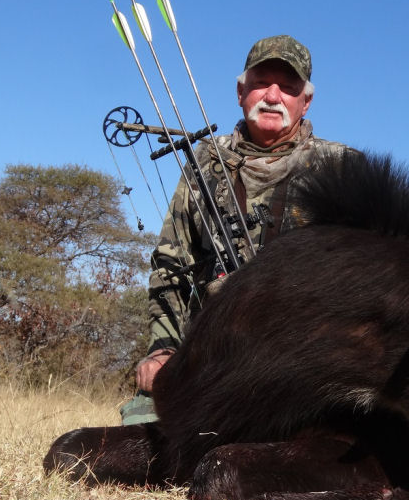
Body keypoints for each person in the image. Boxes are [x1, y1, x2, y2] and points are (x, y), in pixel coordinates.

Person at [121, 35, 349, 425]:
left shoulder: (343, 168)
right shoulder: (204, 161)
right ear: (241, 92)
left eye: (289, 87)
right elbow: (170, 267)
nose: (273, 96)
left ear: (305, 101)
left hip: (305, 363)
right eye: (261, 83)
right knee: (143, 426)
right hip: (213, 354)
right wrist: (162, 350)